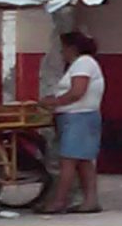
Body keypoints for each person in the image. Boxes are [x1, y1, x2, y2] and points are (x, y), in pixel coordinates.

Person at [42, 30, 106, 214]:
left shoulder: (83, 63)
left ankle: (59, 201)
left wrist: (53, 102)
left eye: (63, 48)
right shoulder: (83, 64)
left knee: (68, 161)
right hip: (82, 116)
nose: (62, 52)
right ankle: (90, 200)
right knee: (84, 161)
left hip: (78, 117)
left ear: (72, 48)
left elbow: (77, 91)